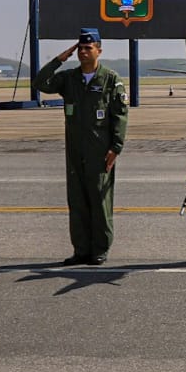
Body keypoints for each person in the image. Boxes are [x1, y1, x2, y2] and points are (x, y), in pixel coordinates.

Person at [34, 28, 128, 266]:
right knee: (77, 202)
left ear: (99, 50)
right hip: (75, 151)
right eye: (81, 48)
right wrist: (59, 59)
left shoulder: (110, 80)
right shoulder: (69, 79)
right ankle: (81, 250)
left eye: (89, 48)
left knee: (99, 201)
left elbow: (120, 116)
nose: (84, 52)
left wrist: (115, 147)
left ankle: (99, 248)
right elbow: (40, 82)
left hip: (100, 151)